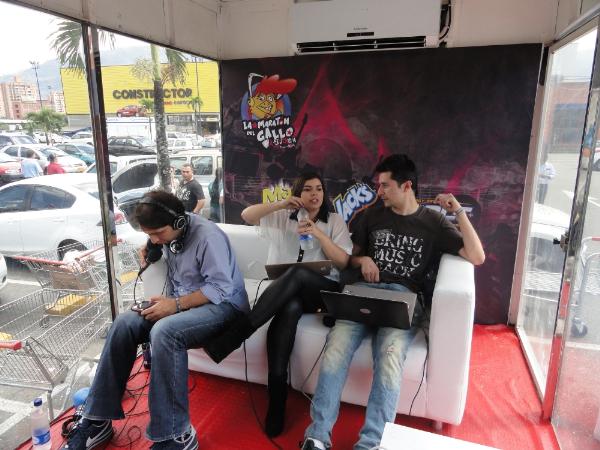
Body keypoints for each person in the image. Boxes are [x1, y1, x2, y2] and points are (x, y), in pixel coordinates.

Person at [301, 154, 485, 450]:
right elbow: (349, 259)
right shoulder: (371, 216)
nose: (380, 191)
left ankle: (372, 443)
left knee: (389, 357)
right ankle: (317, 436)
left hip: (403, 298)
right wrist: (364, 261)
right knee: (335, 349)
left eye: (385, 185)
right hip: (364, 292)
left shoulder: (433, 222)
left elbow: (477, 256)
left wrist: (459, 212)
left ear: (406, 186)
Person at [60, 190, 249, 450]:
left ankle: (176, 435)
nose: (155, 239)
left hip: (224, 307)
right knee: (124, 323)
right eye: (149, 234)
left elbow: (220, 288)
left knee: (165, 331)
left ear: (179, 222)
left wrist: (175, 304)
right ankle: (97, 418)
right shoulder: (167, 234)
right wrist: (151, 249)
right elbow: (158, 246)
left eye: (158, 233)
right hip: (184, 304)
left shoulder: (208, 237)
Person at [204, 172, 353, 437]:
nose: (314, 194)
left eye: (319, 188)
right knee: (290, 307)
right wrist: (281, 204)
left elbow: (343, 262)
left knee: (297, 273)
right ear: (298, 193)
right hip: (292, 295)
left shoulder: (335, 221)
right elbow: (247, 215)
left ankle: (237, 333)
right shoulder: (284, 216)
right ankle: (277, 401)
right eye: (307, 189)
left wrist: (319, 234)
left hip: (322, 292)